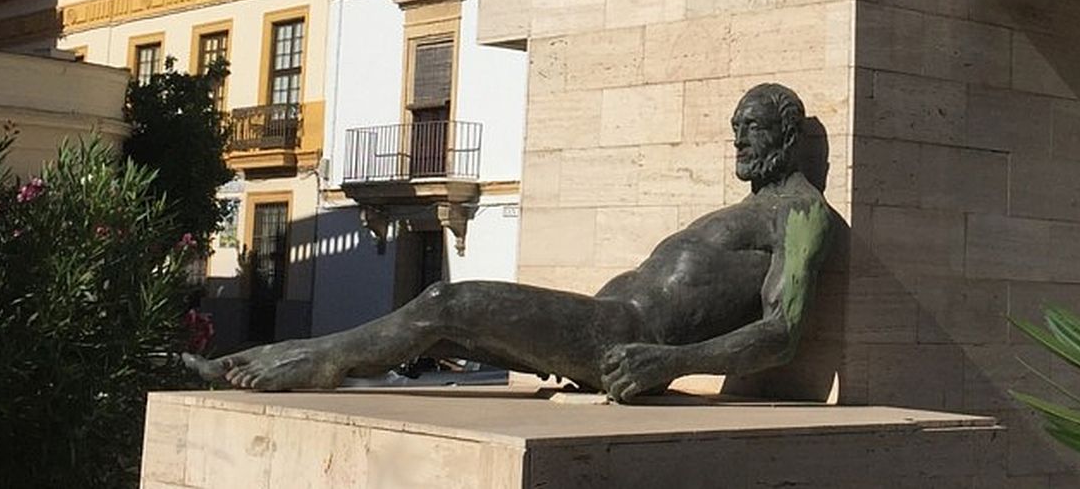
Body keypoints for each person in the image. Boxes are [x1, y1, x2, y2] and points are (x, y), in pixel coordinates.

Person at [185, 84, 833, 403]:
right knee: (436, 331)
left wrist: (669, 364)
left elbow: (784, 332)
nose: (738, 142)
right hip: (608, 330)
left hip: (626, 338)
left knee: (449, 300)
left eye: (749, 130)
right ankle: (285, 361)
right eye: (735, 130)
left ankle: (311, 363)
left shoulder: (800, 214)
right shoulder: (751, 209)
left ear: (786, 133)